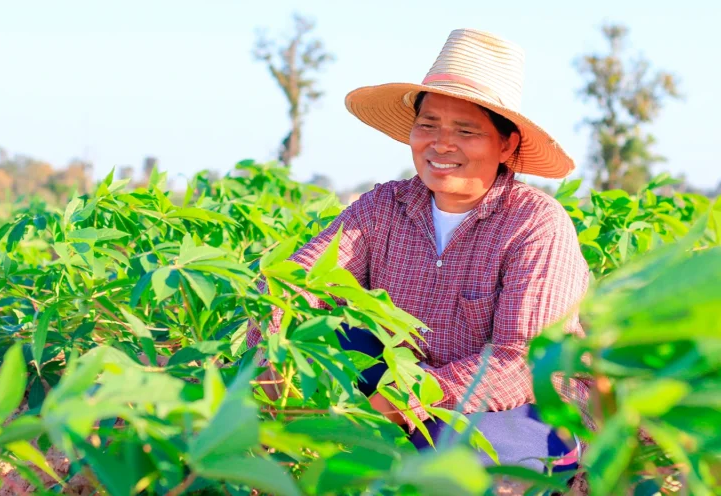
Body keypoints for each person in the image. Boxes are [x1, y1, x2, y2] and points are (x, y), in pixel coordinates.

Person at [247, 28, 590, 473]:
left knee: (466, 459)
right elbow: (296, 281)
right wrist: (268, 362)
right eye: (428, 125)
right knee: (325, 334)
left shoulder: (535, 223)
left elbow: (521, 362)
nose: (441, 144)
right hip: (397, 385)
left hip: (512, 404)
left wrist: (408, 397)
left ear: (506, 145)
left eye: (466, 130)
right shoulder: (384, 206)